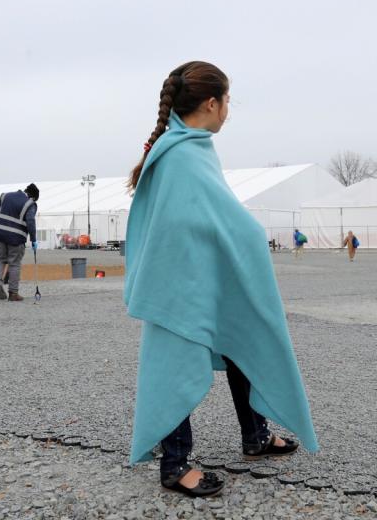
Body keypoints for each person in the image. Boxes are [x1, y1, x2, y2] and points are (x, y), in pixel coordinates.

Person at [124, 61, 318, 498]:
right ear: (211, 103)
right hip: (179, 282)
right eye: (227, 101)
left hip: (200, 272)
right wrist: (248, 235)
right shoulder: (180, 155)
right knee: (176, 356)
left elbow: (207, 215)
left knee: (240, 334)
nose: (229, 110)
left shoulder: (192, 148)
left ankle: (256, 435)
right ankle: (175, 464)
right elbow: (183, 223)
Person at [0, 183, 39, 301]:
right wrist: (33, 240)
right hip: (16, 238)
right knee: (14, 263)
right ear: (33, 197)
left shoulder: (4, 196)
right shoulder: (30, 203)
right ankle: (13, 293)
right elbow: (30, 221)